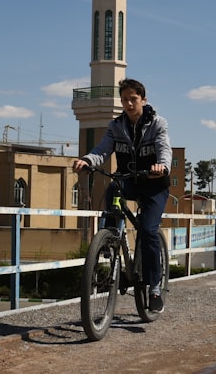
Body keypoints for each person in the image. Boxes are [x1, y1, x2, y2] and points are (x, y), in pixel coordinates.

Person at [73, 78, 171, 313]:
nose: (128, 104)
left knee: (148, 230)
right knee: (113, 188)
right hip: (129, 180)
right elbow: (102, 150)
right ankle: (110, 237)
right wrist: (87, 160)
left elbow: (164, 148)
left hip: (154, 183)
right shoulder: (116, 126)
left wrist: (162, 166)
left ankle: (155, 287)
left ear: (143, 100)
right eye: (125, 99)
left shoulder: (158, 123)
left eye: (133, 99)